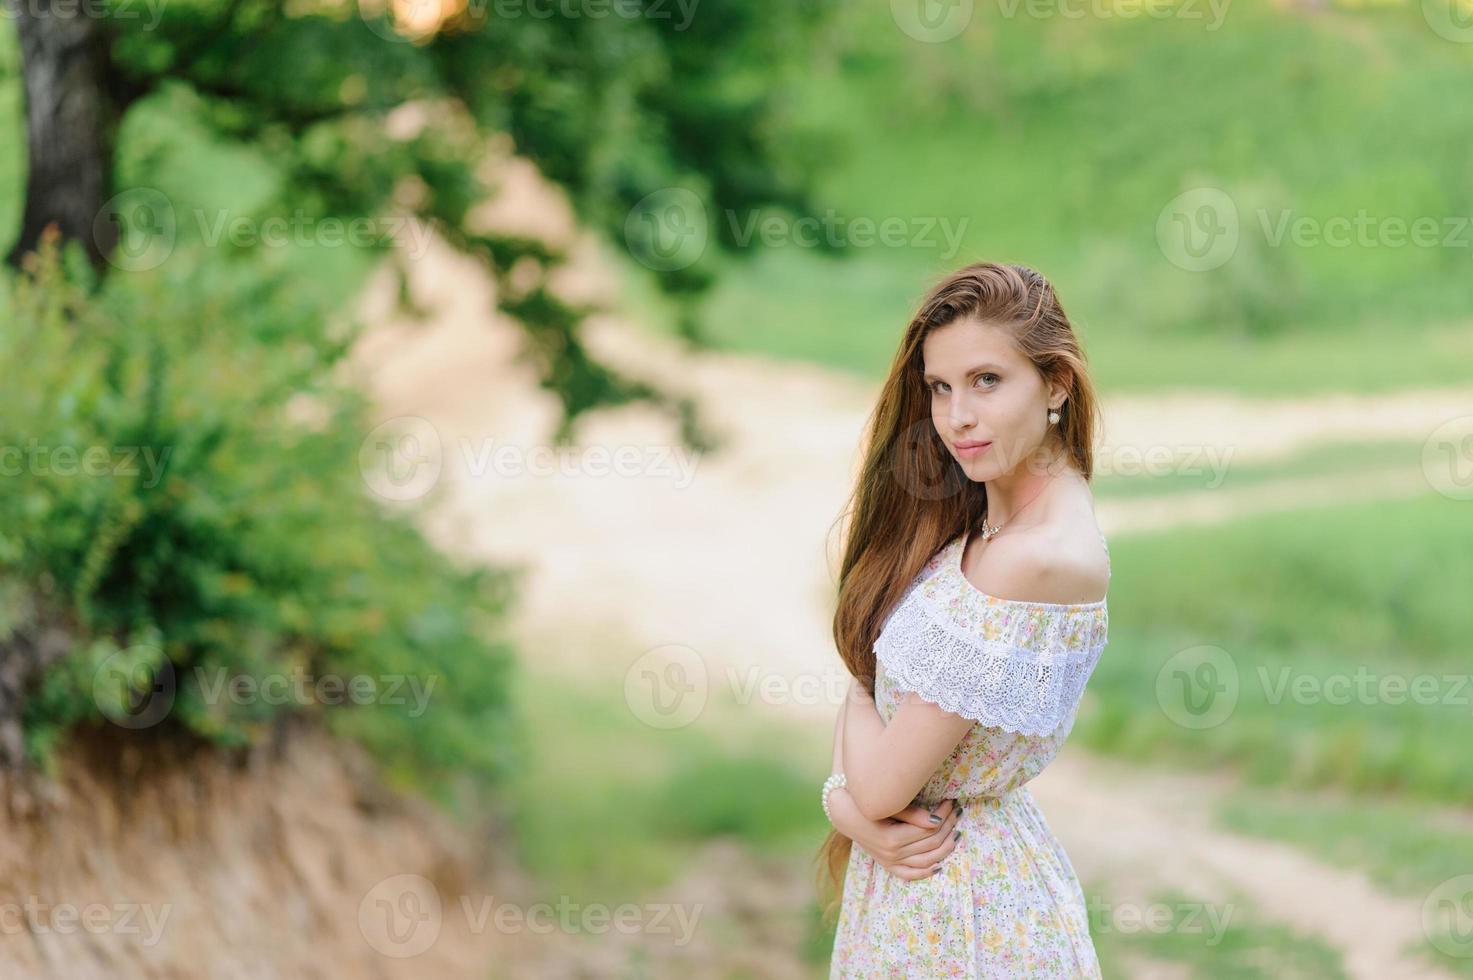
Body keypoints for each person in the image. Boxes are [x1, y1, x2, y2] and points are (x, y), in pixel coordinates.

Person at [818, 261, 1111, 978]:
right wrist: (851, 809)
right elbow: (877, 758)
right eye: (940, 388)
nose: (957, 417)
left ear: (1055, 384)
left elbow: (882, 783)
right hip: (921, 889)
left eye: (986, 381)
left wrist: (853, 791)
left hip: (967, 909)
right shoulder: (980, 522)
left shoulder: (1032, 558)